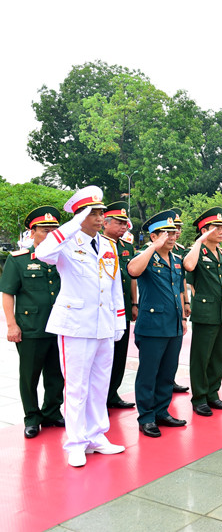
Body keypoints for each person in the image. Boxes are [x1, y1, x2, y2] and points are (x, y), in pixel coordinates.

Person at [35, 185, 126, 467]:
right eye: (94, 213)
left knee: (100, 384)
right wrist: (73, 224)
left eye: (101, 213)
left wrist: (119, 320)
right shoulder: (65, 242)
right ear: (81, 215)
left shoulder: (109, 245)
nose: (101, 218)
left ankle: (97, 436)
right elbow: (43, 253)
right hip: (75, 324)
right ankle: (75, 442)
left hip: (103, 324)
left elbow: (114, 285)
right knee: (76, 387)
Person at [0, 206, 65, 439]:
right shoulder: (19, 260)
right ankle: (32, 417)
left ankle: (52, 412)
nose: (50, 234)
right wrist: (11, 325)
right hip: (31, 328)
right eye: (45, 230)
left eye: (54, 230)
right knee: (29, 376)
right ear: (32, 232)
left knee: (56, 374)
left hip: (60, 326)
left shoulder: (64, 258)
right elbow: (8, 292)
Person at [126, 210, 187, 438]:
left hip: (173, 325)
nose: (172, 237)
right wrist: (153, 246)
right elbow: (132, 270)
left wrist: (182, 318)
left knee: (167, 372)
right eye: (166, 234)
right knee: (148, 374)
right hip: (152, 326)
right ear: (153, 236)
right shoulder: (146, 257)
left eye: (173, 233)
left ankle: (162, 411)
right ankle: (147, 417)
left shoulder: (177, 259)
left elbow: (178, 290)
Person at [182, 207, 222, 417]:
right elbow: (188, 266)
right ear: (204, 230)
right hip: (205, 312)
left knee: (218, 356)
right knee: (201, 358)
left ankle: (213, 395)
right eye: (217, 227)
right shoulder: (197, 252)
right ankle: (200, 398)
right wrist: (198, 242)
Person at [102, 202, 137, 410]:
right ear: (105, 223)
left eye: (125, 223)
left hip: (122, 308)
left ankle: (113, 393)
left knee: (120, 353)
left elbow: (132, 277)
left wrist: (134, 303)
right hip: (104, 308)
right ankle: (100, 396)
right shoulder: (96, 244)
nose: (123, 227)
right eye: (118, 223)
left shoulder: (127, 247)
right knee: (103, 355)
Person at [168, 208, 190, 393]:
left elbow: (181, 281)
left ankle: (171, 379)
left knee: (174, 348)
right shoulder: (149, 251)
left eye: (179, 228)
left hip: (178, 304)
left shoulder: (180, 251)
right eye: (174, 227)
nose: (177, 231)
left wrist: (187, 303)